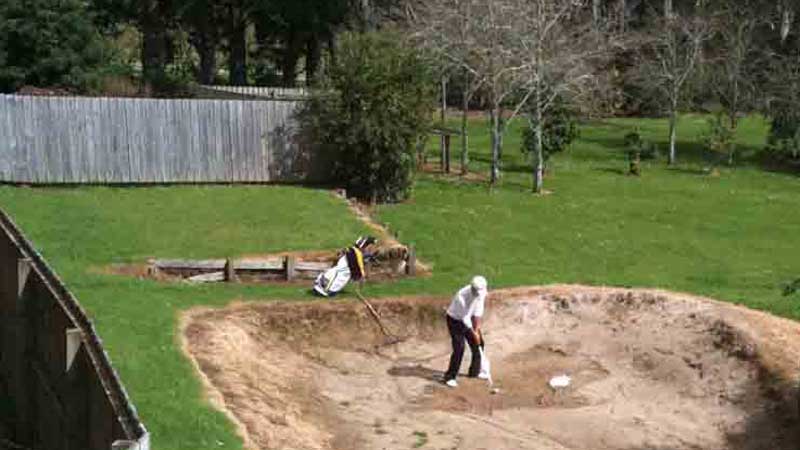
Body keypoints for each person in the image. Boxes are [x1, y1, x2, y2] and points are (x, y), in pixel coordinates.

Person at [443, 275, 489, 388]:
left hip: (469, 317)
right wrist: (473, 333)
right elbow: (465, 318)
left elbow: (478, 311)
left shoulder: (482, 292)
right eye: (476, 291)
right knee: (459, 347)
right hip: (455, 320)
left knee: (479, 343)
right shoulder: (461, 296)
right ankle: (450, 377)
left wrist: (477, 330)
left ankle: (475, 372)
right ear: (472, 288)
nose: (478, 293)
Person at [312, 236, 376, 297]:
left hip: (318, 284)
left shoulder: (349, 250)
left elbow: (338, 257)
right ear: (364, 246)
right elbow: (360, 275)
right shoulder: (357, 255)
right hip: (327, 290)